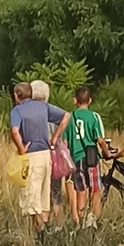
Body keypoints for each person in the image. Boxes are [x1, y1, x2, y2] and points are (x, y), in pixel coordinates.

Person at [9, 82, 70, 233]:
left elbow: (15, 131)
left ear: (17, 95)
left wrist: (21, 149)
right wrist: (55, 138)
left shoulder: (17, 110)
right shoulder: (43, 107)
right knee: (43, 199)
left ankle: (37, 235)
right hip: (46, 156)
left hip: (31, 157)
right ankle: (44, 233)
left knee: (32, 199)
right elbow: (66, 116)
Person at [63, 86, 110, 227]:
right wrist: (107, 152)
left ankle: (81, 222)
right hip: (91, 158)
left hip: (75, 158)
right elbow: (100, 140)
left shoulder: (69, 118)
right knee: (95, 189)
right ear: (90, 100)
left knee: (80, 191)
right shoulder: (94, 117)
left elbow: (65, 142)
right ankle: (94, 220)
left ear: (74, 100)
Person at [32, 80, 68, 226]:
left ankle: (41, 228)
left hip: (36, 158)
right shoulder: (55, 112)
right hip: (54, 160)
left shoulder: (30, 114)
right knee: (56, 196)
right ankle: (59, 228)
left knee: (39, 197)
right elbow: (63, 141)